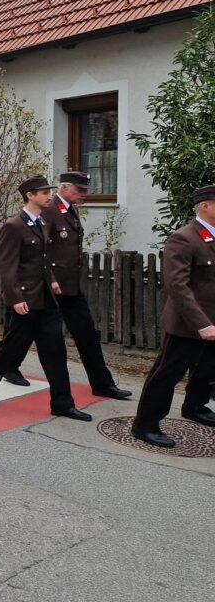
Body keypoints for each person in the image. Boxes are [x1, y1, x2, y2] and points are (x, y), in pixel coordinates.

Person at [0, 176, 91, 421]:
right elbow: (7, 266)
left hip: (45, 299)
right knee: (9, 348)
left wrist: (52, 279)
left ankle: (62, 403)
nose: (49, 196)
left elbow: (44, 260)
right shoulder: (14, 226)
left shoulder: (42, 223)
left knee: (55, 352)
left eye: (49, 192)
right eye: (44, 192)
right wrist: (15, 297)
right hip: (25, 300)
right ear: (30, 195)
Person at [0, 173, 132, 396]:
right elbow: (39, 250)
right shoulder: (48, 210)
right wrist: (44, 280)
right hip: (47, 287)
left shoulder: (70, 210)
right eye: (80, 190)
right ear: (65, 188)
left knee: (86, 334)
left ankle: (102, 384)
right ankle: (6, 368)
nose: (84, 194)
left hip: (70, 287)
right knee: (22, 333)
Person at [132, 185, 215, 448]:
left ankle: (195, 407)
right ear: (205, 206)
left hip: (212, 320)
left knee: (207, 369)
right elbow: (177, 286)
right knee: (167, 373)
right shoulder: (184, 238)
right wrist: (202, 323)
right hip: (188, 324)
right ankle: (145, 424)